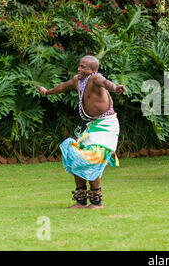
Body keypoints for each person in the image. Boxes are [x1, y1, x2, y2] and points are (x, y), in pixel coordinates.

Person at [36, 55, 126, 209]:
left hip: (106, 126)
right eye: (79, 65)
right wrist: (46, 92)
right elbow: (63, 87)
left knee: (90, 159)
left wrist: (116, 88)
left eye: (83, 67)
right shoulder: (78, 80)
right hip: (92, 126)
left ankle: (97, 202)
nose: (79, 68)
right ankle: (80, 201)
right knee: (75, 157)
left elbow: (106, 83)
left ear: (92, 69)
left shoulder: (96, 78)